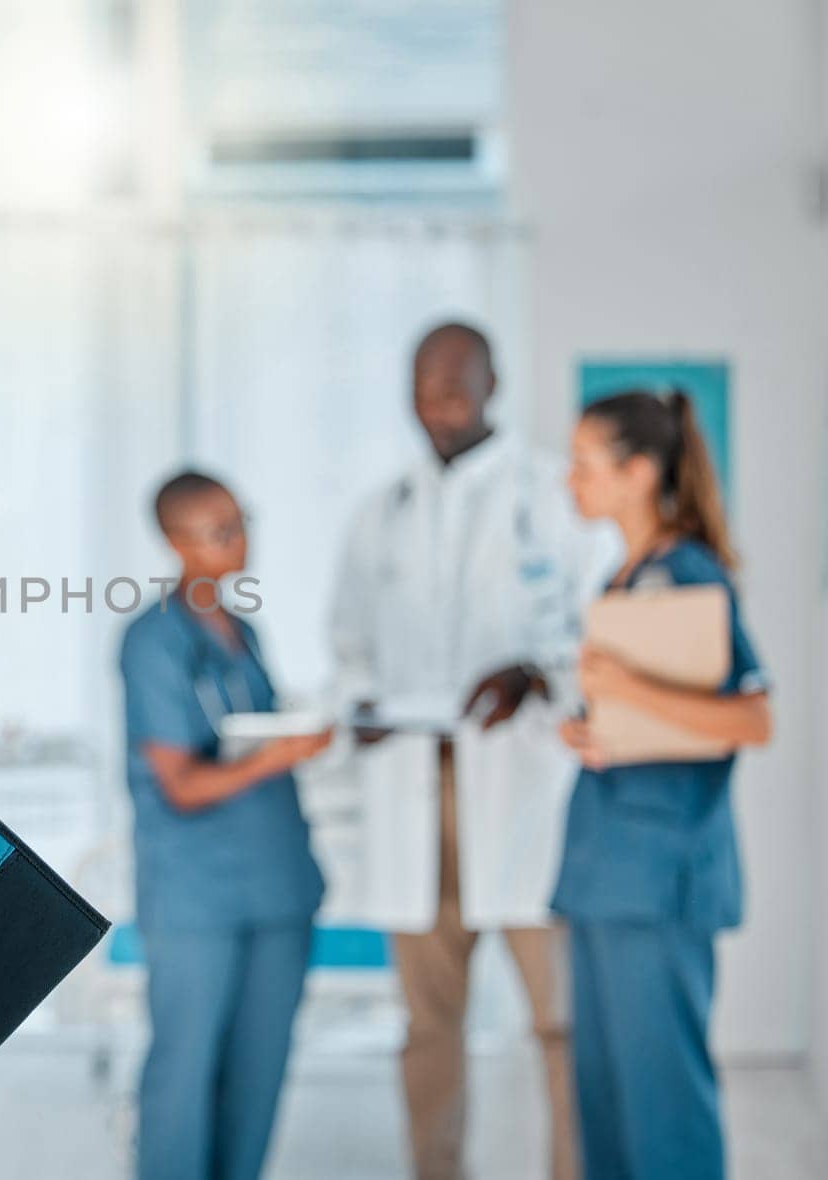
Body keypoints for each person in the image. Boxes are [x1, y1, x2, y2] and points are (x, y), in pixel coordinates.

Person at [329, 322, 594, 1180]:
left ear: (493, 385)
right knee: (429, 1024)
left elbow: (595, 637)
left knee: (560, 1022)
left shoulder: (553, 494)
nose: (436, 409)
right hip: (418, 787)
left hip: (522, 791)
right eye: (422, 389)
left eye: (453, 388)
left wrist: (539, 674)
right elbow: (348, 640)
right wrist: (360, 703)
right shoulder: (382, 510)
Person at [553, 390, 771, 1180]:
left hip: (657, 879)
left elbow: (750, 718)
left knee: (662, 1108)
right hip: (608, 874)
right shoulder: (627, 575)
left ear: (638, 472)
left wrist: (630, 690)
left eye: (583, 465)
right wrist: (596, 726)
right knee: (607, 1107)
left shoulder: (686, 570)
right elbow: (663, 725)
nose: (569, 482)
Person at [119, 471, 331, 1180]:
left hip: (277, 887)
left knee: (258, 1073)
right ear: (175, 542)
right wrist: (282, 754)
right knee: (184, 1072)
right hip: (196, 895)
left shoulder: (243, 630)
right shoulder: (153, 640)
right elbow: (180, 783)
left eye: (241, 522)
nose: (238, 541)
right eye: (218, 529)